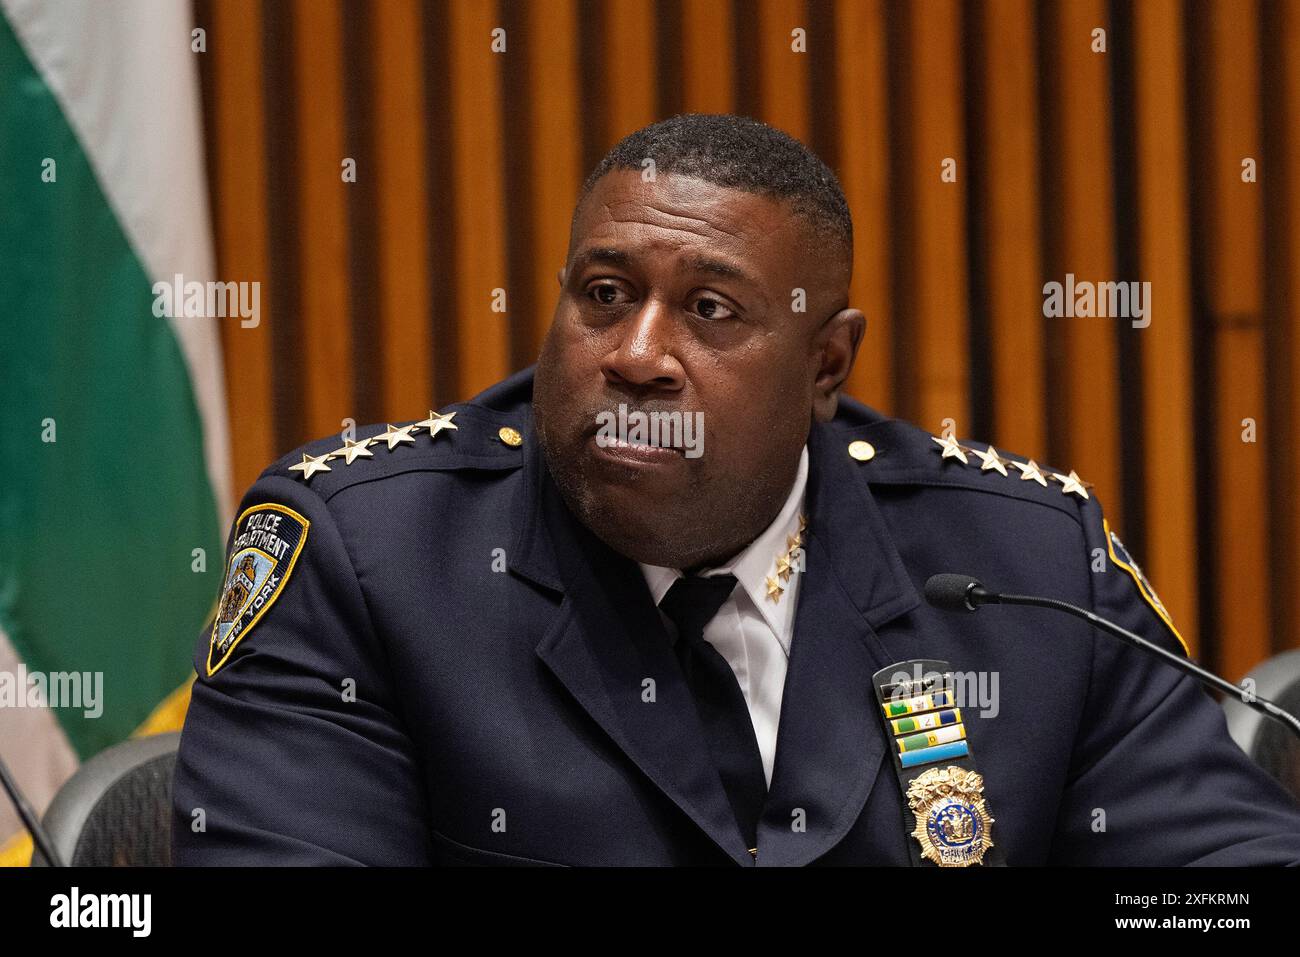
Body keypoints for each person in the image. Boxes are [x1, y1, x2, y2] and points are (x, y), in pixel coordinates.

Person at [172, 113, 1300, 866]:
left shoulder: (1028, 569)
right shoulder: (373, 558)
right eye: (604, 293)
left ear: (825, 365)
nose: (638, 355)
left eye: (711, 311)